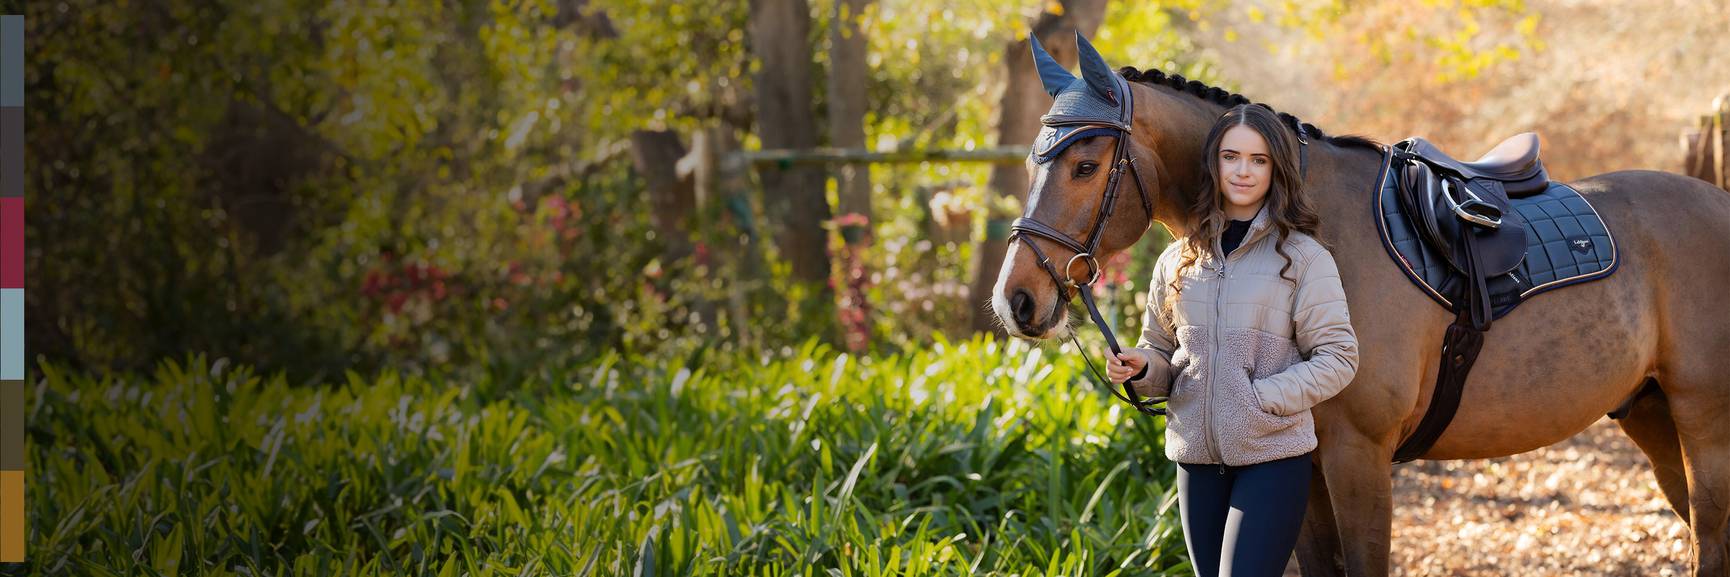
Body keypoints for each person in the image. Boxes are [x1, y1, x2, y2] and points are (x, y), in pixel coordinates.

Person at [1105, 103, 1360, 577]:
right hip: (1196, 461)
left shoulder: (1303, 258)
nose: (1243, 171)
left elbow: (1339, 357)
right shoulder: (1177, 260)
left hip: (1271, 457)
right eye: (1231, 157)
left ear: (1275, 169)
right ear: (1214, 164)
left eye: (1258, 160)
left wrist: (1261, 398)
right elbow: (1160, 350)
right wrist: (1140, 368)